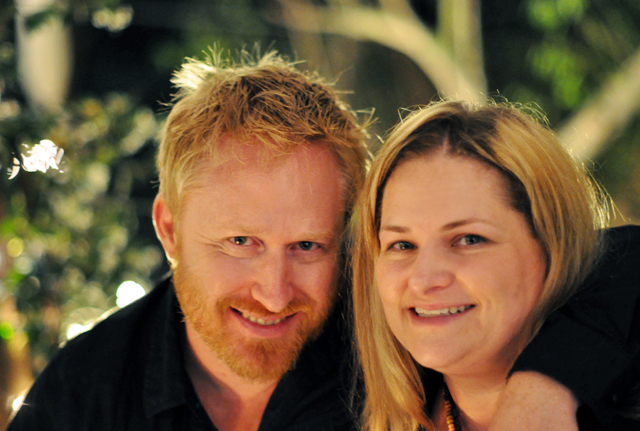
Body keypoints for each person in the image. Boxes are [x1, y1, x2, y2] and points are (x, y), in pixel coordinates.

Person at [7, 51, 640, 431]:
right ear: (169, 228)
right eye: (240, 242)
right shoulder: (81, 396)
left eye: (309, 246)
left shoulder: (393, 337)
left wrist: (543, 387)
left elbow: (615, 259)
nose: (276, 292)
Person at [351, 99, 640, 431]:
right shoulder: (359, 408)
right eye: (402, 245)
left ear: (551, 246)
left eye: (469, 239)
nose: (423, 280)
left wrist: (544, 384)